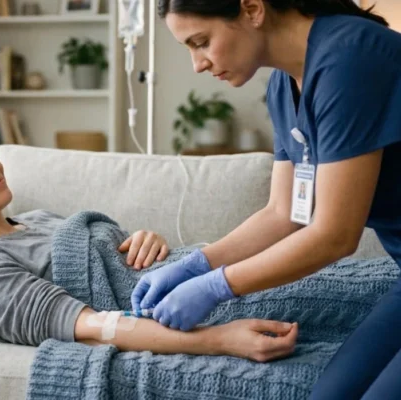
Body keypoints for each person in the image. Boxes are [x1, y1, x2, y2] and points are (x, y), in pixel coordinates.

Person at [0, 112, 298, 362]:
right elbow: (97, 326)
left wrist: (145, 241)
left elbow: (113, 264)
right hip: (211, 306)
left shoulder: (37, 219)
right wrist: (221, 340)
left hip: (207, 272)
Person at [131, 0, 401, 398]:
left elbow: (335, 235)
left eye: (202, 42)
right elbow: (284, 213)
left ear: (252, 9)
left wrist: (216, 287)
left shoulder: (351, 56)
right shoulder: (282, 85)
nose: (198, 64)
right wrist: (195, 266)